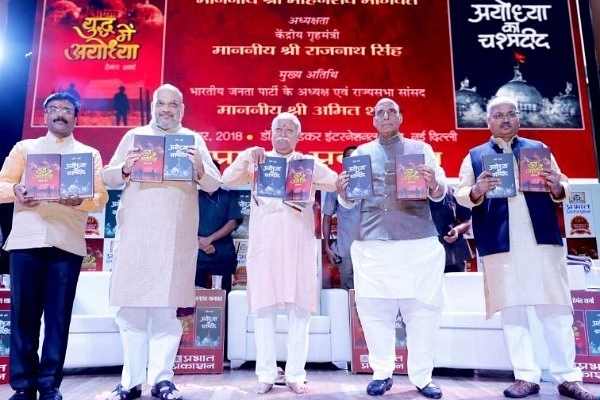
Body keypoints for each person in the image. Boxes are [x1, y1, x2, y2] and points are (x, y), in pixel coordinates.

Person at [454, 96, 600, 400]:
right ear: (488, 122)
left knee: (556, 311)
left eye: (511, 114)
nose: (505, 120)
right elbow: (461, 194)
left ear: (518, 119)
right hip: (500, 244)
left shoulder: (538, 151)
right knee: (513, 312)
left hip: (542, 243)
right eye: (498, 115)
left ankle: (567, 377)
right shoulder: (476, 156)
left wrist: (556, 186)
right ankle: (526, 376)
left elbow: (564, 185)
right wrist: (478, 189)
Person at [102, 84, 221, 400]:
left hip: (175, 239)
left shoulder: (193, 140)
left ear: (182, 109)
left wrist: (198, 169)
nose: (166, 109)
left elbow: (214, 183)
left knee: (167, 314)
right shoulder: (135, 137)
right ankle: (129, 382)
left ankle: (162, 380)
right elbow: (108, 176)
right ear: (153, 106)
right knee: (131, 312)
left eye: (173, 104)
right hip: (137, 236)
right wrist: (126, 167)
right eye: (161, 103)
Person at [0, 92, 108, 400]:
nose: (60, 114)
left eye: (67, 110)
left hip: (67, 244)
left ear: (76, 118)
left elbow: (100, 198)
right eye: (54, 109)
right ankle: (23, 386)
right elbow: (1, 186)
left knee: (58, 319)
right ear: (45, 116)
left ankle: (49, 385)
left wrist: (80, 200)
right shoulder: (25, 149)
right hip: (26, 242)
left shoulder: (89, 154)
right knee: (23, 317)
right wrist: (17, 190)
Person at [336, 97, 447, 399]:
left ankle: (423, 377)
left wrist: (434, 183)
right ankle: (382, 373)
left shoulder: (421, 150)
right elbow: (350, 202)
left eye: (391, 111)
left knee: (422, 312)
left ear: (401, 117)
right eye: (379, 112)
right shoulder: (361, 153)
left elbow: (440, 193)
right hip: (372, 243)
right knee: (375, 312)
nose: (385, 116)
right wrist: (344, 194)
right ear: (373, 120)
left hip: (418, 242)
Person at [222, 112, 337, 395]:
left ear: (299, 136)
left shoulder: (307, 164)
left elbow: (334, 182)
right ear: (270, 133)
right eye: (278, 129)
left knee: (300, 312)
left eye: (290, 130)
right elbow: (226, 178)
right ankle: (266, 374)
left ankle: (296, 374)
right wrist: (247, 155)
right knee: (264, 311)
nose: (283, 133)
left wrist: (312, 171)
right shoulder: (257, 161)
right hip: (266, 247)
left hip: (298, 247)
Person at [195, 159, 243, 293]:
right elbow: (185, 222)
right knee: (193, 297)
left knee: (222, 295)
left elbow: (232, 222)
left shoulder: (229, 196)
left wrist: (209, 239)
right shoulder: (193, 196)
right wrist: (200, 242)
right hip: (197, 256)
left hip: (222, 255)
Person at [322, 145, 359, 290]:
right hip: (346, 250)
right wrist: (327, 247)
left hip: (370, 249)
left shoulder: (372, 184)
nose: (353, 161)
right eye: (349, 158)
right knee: (347, 292)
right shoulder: (336, 185)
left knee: (370, 291)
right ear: (344, 161)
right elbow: (327, 218)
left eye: (357, 158)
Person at [428, 186, 473, 273]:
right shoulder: (410, 194)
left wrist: (457, 230)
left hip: (454, 255)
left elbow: (468, 220)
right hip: (425, 257)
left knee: (458, 285)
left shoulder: (453, 193)